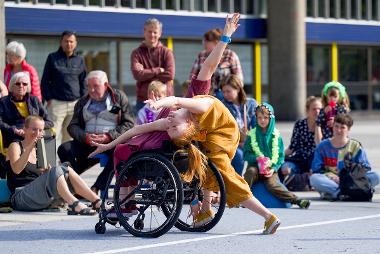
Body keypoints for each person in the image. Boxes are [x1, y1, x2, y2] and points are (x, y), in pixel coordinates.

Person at [90, 13, 281, 235]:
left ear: (190, 125)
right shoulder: (177, 119)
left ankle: (262, 215)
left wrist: (226, 36)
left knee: (224, 175)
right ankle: (203, 211)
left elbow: (208, 67)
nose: (170, 123)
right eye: (172, 126)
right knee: (204, 169)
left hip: (223, 133)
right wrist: (108, 145)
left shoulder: (196, 103)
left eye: (173, 127)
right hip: (211, 139)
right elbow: (137, 128)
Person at [57, 70, 134, 194]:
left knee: (118, 153)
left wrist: (109, 136)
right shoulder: (82, 102)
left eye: (96, 86)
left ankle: (97, 187)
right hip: (88, 142)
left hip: (110, 142)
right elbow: (72, 126)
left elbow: (129, 124)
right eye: (89, 86)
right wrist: (85, 137)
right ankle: (76, 187)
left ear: (105, 85)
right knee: (64, 149)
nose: (91, 90)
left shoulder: (118, 98)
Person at [6, 115, 101, 214]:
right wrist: (30, 148)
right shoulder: (15, 146)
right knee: (57, 169)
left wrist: (47, 173)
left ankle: (97, 201)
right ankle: (74, 204)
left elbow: (48, 176)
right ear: (25, 129)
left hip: (40, 196)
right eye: (34, 129)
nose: (37, 133)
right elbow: (16, 169)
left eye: (40, 130)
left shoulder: (41, 149)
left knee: (65, 167)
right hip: (21, 197)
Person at [243, 103, 311, 209]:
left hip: (269, 169)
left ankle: (297, 200)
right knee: (250, 172)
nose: (262, 120)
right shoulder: (252, 135)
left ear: (271, 118)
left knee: (272, 185)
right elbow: (246, 154)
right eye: (260, 117)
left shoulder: (276, 136)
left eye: (265, 117)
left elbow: (280, 157)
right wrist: (256, 158)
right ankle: (242, 197)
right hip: (255, 167)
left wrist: (273, 168)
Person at [310, 114, 380, 200]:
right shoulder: (322, 146)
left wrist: (347, 177)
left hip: (351, 180)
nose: (338, 130)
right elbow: (316, 169)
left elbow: (365, 167)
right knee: (314, 178)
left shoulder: (355, 146)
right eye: (336, 126)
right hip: (332, 181)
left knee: (377, 176)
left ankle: (337, 193)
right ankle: (343, 193)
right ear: (333, 127)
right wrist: (330, 176)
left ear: (349, 129)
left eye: (342, 127)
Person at [41, 30, 87, 147]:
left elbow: (83, 82)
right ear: (61, 42)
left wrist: (82, 102)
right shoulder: (52, 58)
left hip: (75, 104)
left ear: (75, 43)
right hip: (56, 103)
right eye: (66, 41)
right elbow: (45, 80)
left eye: (71, 41)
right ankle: (49, 164)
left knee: (69, 136)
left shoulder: (80, 60)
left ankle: (65, 163)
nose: (69, 44)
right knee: (51, 134)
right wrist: (49, 99)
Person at [131, 18, 175, 113]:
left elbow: (170, 75)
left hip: (165, 100)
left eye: (155, 32)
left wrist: (145, 73)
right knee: (142, 127)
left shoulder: (167, 52)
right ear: (144, 32)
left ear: (160, 33)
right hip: (143, 101)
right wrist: (159, 70)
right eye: (149, 31)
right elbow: (137, 75)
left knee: (166, 127)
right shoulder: (136, 53)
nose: (152, 35)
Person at [0, 72, 53, 149]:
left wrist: (38, 129)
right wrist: (13, 129)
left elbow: (49, 122)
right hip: (14, 134)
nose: (21, 86)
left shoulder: (34, 100)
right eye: (18, 84)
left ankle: (43, 161)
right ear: (12, 86)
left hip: (34, 133)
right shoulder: (3, 102)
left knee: (48, 138)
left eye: (24, 84)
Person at [280, 96, 322, 190]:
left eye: (319, 109)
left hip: (314, 160)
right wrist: (277, 157)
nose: (317, 111)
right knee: (285, 169)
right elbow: (292, 148)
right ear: (307, 111)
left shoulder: (324, 125)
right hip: (298, 159)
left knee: (316, 172)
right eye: (314, 109)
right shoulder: (300, 124)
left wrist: (318, 125)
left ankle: (303, 181)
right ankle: (303, 181)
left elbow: (320, 146)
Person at [189, 28, 243, 99]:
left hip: (225, 97)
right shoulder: (201, 55)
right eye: (203, 41)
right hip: (205, 96)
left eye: (207, 41)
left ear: (216, 42)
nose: (204, 43)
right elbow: (192, 77)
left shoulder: (230, 55)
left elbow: (238, 80)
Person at [220, 74, 257, 175]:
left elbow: (256, 127)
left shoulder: (251, 104)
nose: (225, 94)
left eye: (228, 91)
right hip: (231, 143)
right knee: (239, 156)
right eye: (223, 92)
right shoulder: (222, 105)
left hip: (249, 141)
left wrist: (249, 137)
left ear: (238, 89)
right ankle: (236, 185)